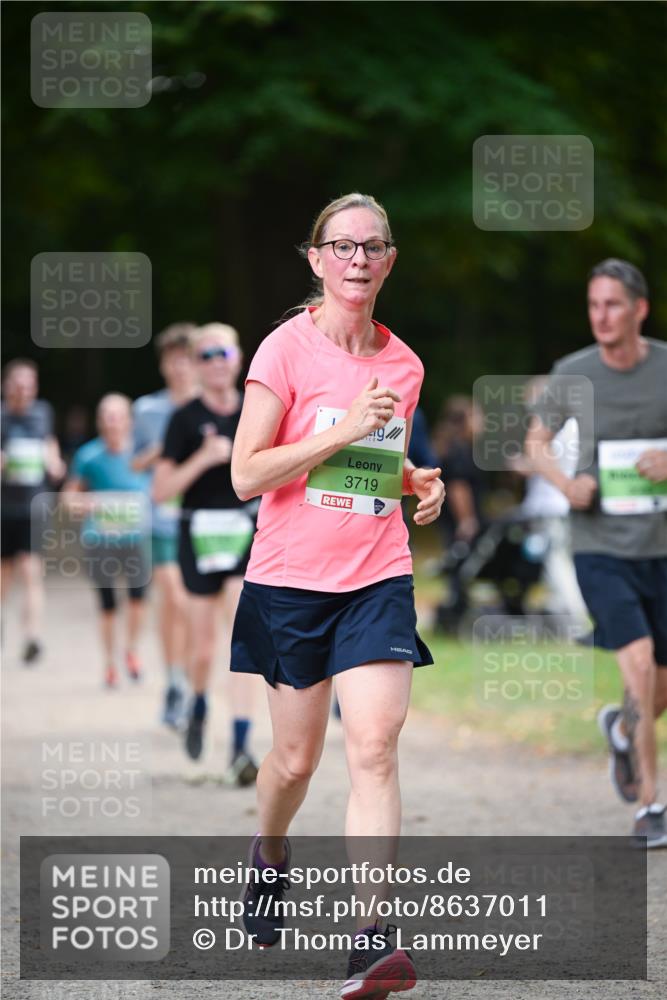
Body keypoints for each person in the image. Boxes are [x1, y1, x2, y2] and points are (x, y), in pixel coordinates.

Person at [229, 193, 445, 997]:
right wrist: (345, 426)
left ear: (388, 261)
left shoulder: (406, 364)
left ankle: (370, 938)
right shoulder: (284, 351)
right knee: (293, 761)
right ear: (316, 259)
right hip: (289, 582)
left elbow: (373, 469)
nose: (357, 259)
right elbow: (248, 474)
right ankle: (270, 852)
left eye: (372, 246)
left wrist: (415, 481)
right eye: (341, 246)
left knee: (375, 746)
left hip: (375, 576)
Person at [525, 259, 667, 848]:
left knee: (657, 684)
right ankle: (651, 804)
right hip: (599, 545)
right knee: (635, 660)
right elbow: (535, 442)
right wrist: (564, 485)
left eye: (612, 305)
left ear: (639, 309)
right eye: (593, 305)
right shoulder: (572, 373)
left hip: (661, 546)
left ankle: (621, 729)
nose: (601, 316)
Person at [153, 323, 259, 784]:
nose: (216, 361)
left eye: (224, 352)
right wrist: (204, 457)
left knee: (244, 636)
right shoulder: (183, 418)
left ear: (238, 359)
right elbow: (161, 491)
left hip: (242, 531)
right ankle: (197, 703)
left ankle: (239, 745)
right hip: (196, 532)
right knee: (201, 648)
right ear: (196, 365)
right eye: (207, 354)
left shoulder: (258, 411)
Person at [132, 323, 197, 727]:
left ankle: (184, 680)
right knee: (172, 595)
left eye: (185, 358)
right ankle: (174, 680)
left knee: (193, 605)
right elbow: (135, 462)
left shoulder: (212, 406)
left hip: (200, 518)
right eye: (171, 359)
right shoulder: (147, 410)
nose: (178, 367)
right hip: (159, 517)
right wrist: (165, 449)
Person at [63, 394, 151, 688]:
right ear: (100, 421)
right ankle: (110, 663)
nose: (113, 421)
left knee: (138, 602)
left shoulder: (143, 455)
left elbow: (161, 489)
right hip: (100, 540)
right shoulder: (88, 456)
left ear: (129, 420)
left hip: (135, 539)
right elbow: (68, 498)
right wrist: (91, 504)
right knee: (107, 605)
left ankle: (131, 651)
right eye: (107, 415)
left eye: (118, 415)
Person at [1, 358, 65, 664]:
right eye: (18, 384)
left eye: (29, 385)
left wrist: (54, 461)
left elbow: (48, 442)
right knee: (3, 575)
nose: (23, 390)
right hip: (3, 508)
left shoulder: (43, 412)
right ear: (7, 386)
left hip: (33, 506)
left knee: (31, 572)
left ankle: (33, 636)